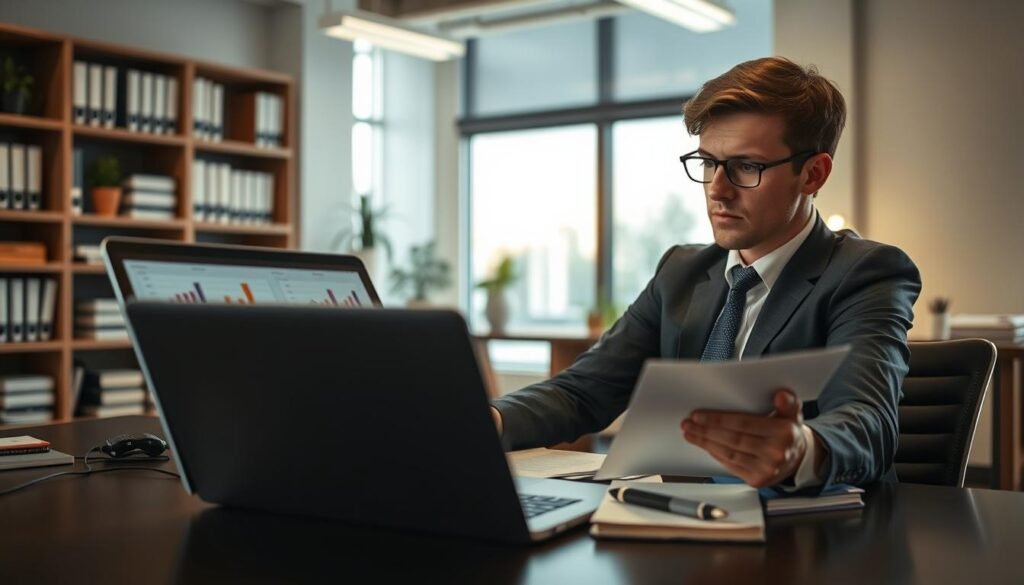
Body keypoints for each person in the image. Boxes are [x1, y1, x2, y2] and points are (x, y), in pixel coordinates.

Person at [489, 57, 921, 490]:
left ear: (812, 174)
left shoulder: (865, 273)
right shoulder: (681, 271)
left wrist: (802, 449)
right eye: (709, 162)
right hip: (679, 521)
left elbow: (868, 422)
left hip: (815, 537)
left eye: (746, 166)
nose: (717, 188)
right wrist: (487, 420)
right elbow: (582, 392)